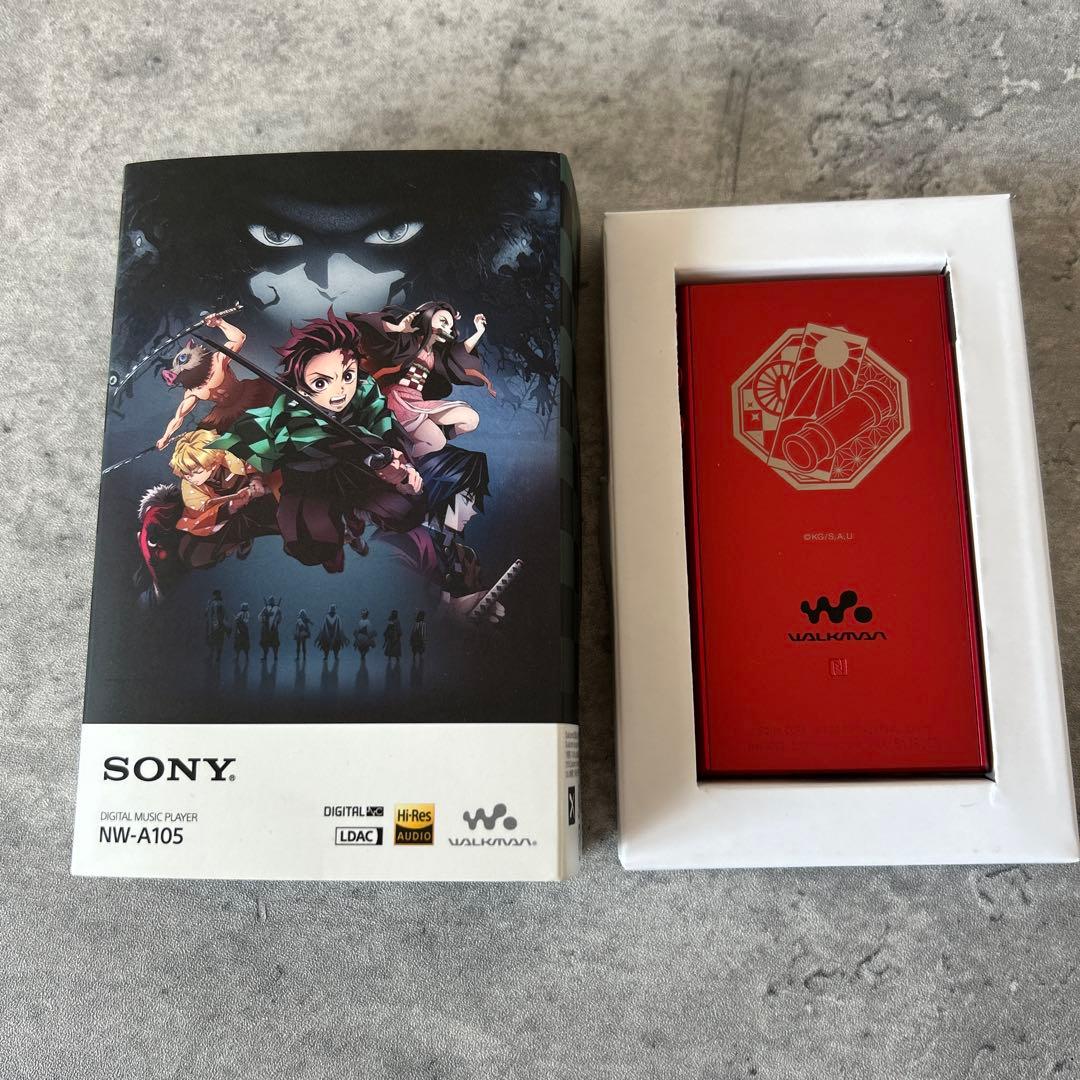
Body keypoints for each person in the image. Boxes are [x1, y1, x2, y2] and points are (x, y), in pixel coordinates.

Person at [213, 310, 425, 573]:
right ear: (300, 384)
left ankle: (354, 516)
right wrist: (377, 454)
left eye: (347, 376)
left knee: (407, 510)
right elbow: (325, 439)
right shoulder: (289, 408)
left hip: (354, 473)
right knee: (310, 546)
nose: (339, 391)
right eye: (322, 383)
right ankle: (337, 533)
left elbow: (385, 423)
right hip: (309, 480)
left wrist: (405, 468)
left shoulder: (364, 388)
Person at [350, 301, 495, 457]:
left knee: (469, 420)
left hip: (417, 402)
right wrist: (398, 328)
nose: (447, 329)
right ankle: (388, 457)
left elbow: (458, 354)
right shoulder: (408, 340)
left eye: (449, 327)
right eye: (443, 322)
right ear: (428, 316)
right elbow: (370, 326)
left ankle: (399, 454)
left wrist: (479, 332)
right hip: (396, 400)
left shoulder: (435, 354)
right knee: (436, 442)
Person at [156, 313, 275, 450]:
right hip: (228, 416)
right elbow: (179, 417)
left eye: (183, 360)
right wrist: (166, 437)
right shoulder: (193, 392)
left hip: (253, 395)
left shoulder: (217, 360)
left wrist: (219, 323)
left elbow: (239, 338)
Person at [259, 596, 283, 664]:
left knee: (275, 644)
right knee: (265, 643)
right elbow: (260, 616)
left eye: (272, 600)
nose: (271, 602)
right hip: (266, 628)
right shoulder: (265, 608)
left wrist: (278, 621)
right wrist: (266, 616)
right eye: (270, 600)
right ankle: (265, 656)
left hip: (274, 628)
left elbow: (280, 617)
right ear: (269, 601)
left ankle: (275, 656)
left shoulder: (277, 609)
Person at [206, 590, 227, 663]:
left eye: (216, 595)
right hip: (217, 624)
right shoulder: (218, 603)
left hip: (216, 624)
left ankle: (215, 656)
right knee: (217, 641)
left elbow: (222, 614)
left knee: (216, 640)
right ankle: (215, 656)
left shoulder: (216, 603)